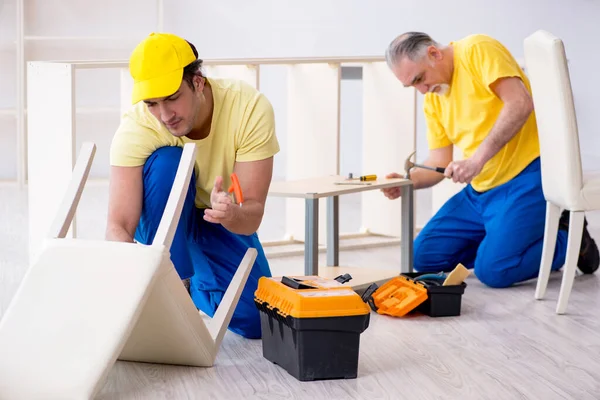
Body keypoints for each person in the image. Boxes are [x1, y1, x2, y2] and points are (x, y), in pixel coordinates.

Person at [381, 32, 599, 288]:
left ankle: (568, 238)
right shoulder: (434, 100)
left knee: (495, 271)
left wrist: (476, 161)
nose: (422, 90)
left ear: (434, 53)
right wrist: (407, 182)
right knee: (425, 256)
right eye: (412, 86)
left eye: (420, 78)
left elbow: (520, 103)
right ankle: (507, 240)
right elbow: (439, 162)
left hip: (527, 177)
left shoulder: (478, 50)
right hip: (481, 191)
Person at [106, 32, 279, 339]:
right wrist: (129, 284)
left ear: (198, 82)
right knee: (169, 161)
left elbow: (252, 214)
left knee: (257, 321)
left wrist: (231, 214)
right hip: (162, 220)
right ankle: (175, 284)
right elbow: (118, 225)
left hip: (217, 220)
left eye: (172, 98)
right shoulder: (138, 126)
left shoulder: (248, 108)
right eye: (152, 103)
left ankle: (195, 285)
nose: (165, 115)